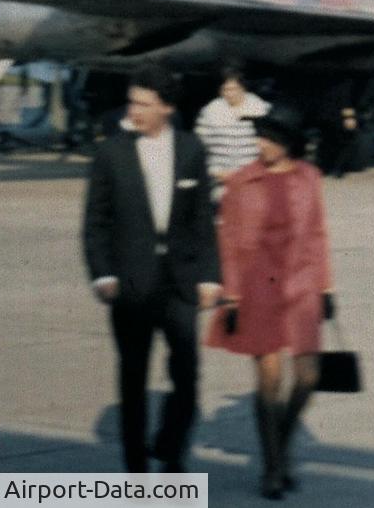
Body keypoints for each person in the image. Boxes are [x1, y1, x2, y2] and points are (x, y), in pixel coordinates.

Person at [82, 64, 221, 473]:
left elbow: (202, 221)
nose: (134, 110)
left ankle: (172, 451)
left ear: (166, 107)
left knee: (188, 376)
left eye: (144, 103)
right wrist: (103, 275)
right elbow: (95, 223)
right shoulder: (111, 153)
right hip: (130, 283)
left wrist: (211, 276)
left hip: (180, 283)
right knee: (133, 379)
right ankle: (137, 471)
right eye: (132, 102)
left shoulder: (192, 149)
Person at [208, 107, 336, 499]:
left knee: (309, 377)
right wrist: (230, 296)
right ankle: (273, 468)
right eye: (259, 137)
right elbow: (227, 242)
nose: (261, 144)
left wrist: (326, 287)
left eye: (270, 138)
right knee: (269, 379)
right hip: (256, 286)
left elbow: (316, 233)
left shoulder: (308, 178)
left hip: (299, 285)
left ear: (289, 143)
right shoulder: (242, 181)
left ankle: (279, 447)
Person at [194, 65, 270, 198]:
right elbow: (198, 149)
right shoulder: (209, 112)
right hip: (220, 184)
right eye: (225, 89)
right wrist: (216, 172)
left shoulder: (261, 110)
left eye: (233, 89)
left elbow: (270, 148)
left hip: (254, 184)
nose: (229, 93)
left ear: (243, 87)